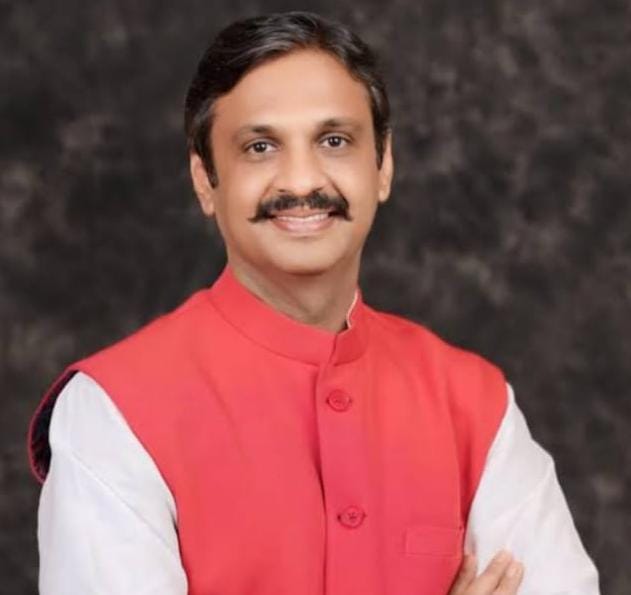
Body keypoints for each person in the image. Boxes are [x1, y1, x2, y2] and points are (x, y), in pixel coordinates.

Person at [28, 11, 600, 595]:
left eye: (334, 141)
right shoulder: (113, 410)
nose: (301, 181)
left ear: (382, 165)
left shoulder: (474, 403)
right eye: (260, 146)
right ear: (205, 180)